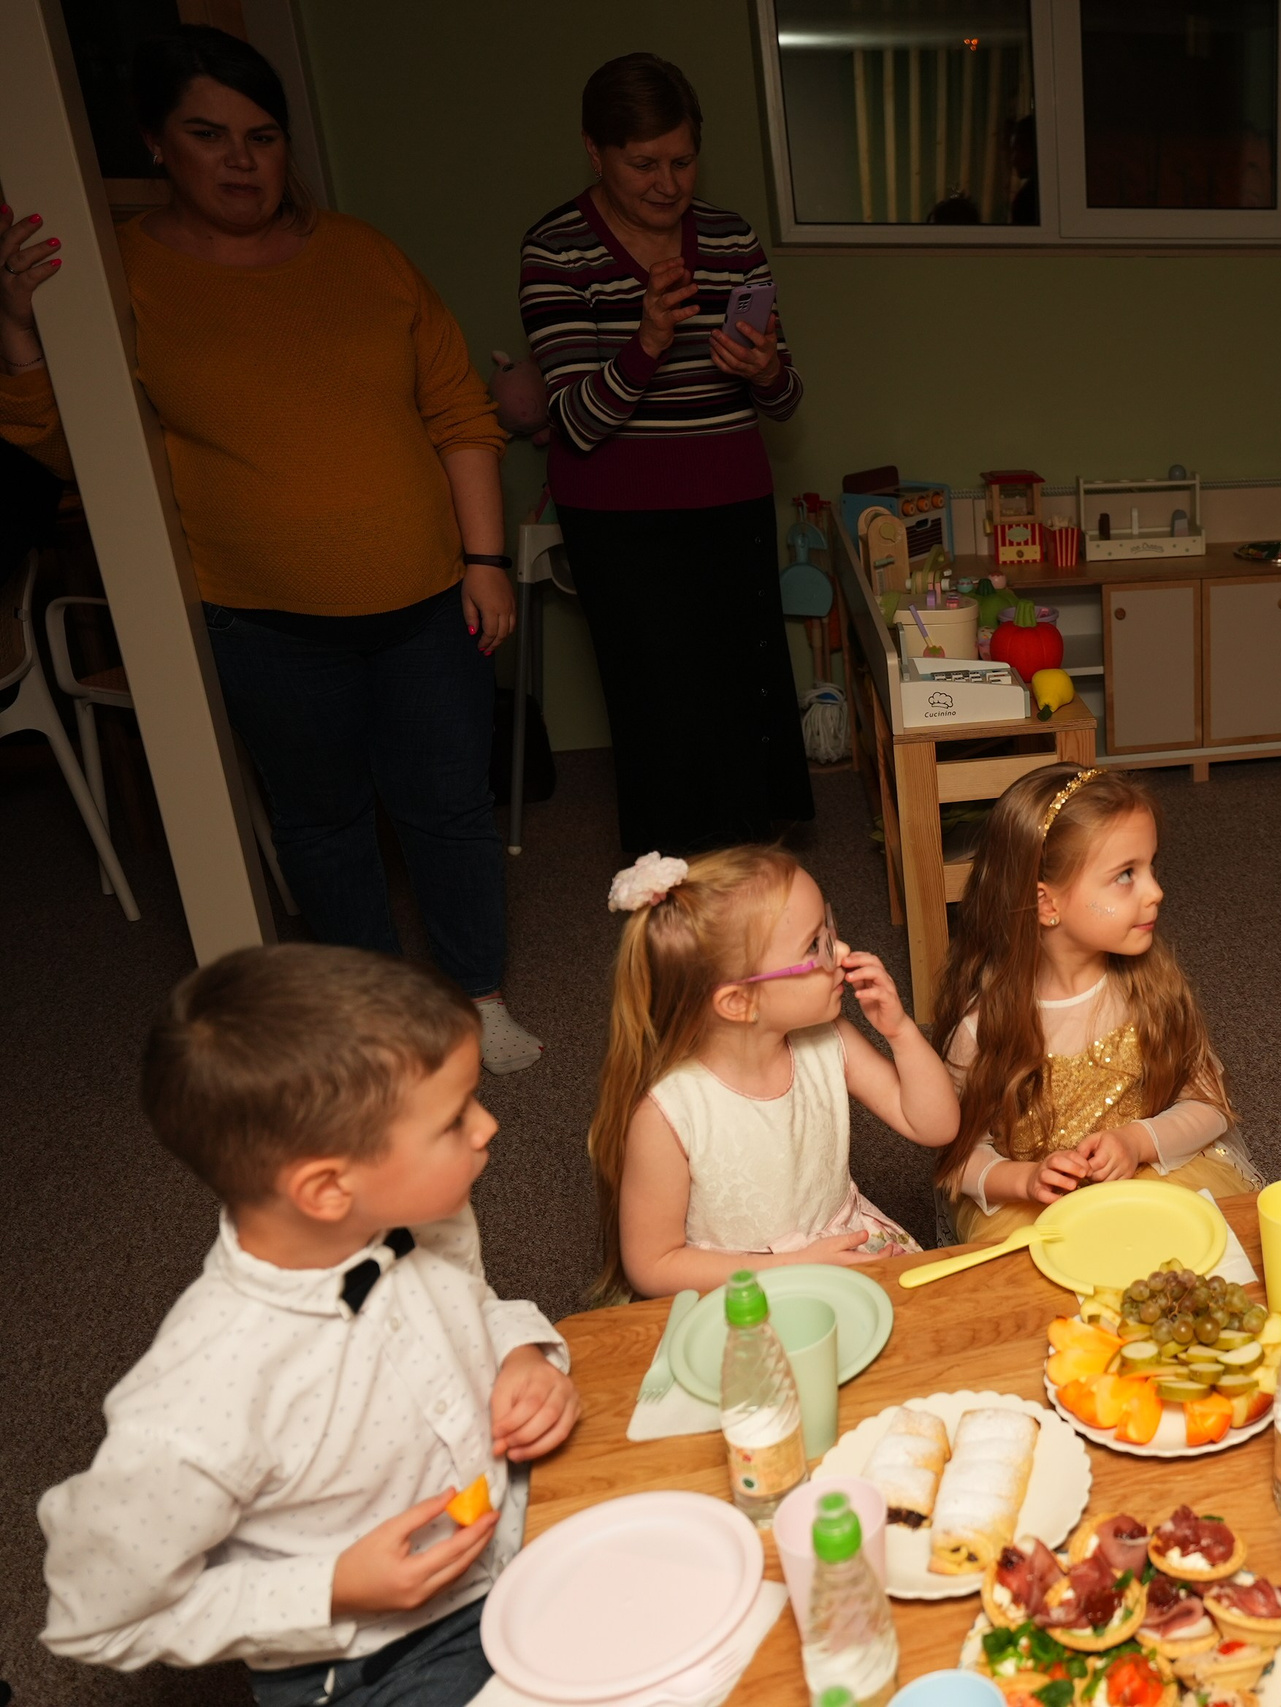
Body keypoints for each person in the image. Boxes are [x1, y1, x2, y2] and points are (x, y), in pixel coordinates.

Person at [0, 28, 542, 1072]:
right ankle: (376, 1026)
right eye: (209, 134)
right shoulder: (122, 276)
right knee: (324, 823)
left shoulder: (365, 256)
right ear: (158, 144)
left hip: (428, 598)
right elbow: (85, 455)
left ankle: (480, 995)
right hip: (259, 618)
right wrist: (24, 341)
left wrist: (485, 561)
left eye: (262, 136)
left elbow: (460, 415)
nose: (241, 159)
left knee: (449, 807)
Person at [39, 944, 579, 1704]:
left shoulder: (416, 1206)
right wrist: (328, 1587)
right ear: (328, 1188)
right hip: (382, 1658)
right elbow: (89, 1618)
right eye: (456, 1117)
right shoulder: (197, 1403)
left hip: (515, 1528)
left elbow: (468, 1302)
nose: (487, 1126)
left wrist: (521, 1349)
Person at [519, 53, 811, 858]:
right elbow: (575, 423)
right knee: (656, 697)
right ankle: (670, 875)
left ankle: (753, 866)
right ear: (595, 151)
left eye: (682, 160)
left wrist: (766, 369)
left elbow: (786, 404)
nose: (667, 182)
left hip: (730, 493)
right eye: (643, 163)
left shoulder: (730, 237)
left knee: (742, 688)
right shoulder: (556, 250)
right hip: (619, 517)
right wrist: (647, 341)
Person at [585, 847, 957, 1301]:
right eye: (813, 947)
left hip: (842, 1248)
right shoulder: (669, 1113)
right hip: (740, 1289)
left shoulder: (825, 1037)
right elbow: (652, 1265)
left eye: (829, 930)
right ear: (740, 1002)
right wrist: (793, 1267)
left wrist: (900, 1032)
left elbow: (936, 1126)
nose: (840, 951)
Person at [934, 765, 1260, 1244]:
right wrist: (1025, 1179)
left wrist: (1137, 1141)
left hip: (1149, 1179)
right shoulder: (982, 1027)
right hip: (1034, 1212)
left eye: (1151, 867)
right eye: (1126, 875)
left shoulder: (1152, 989)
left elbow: (1210, 1104)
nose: (1156, 891)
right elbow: (957, 1158)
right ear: (1047, 904)